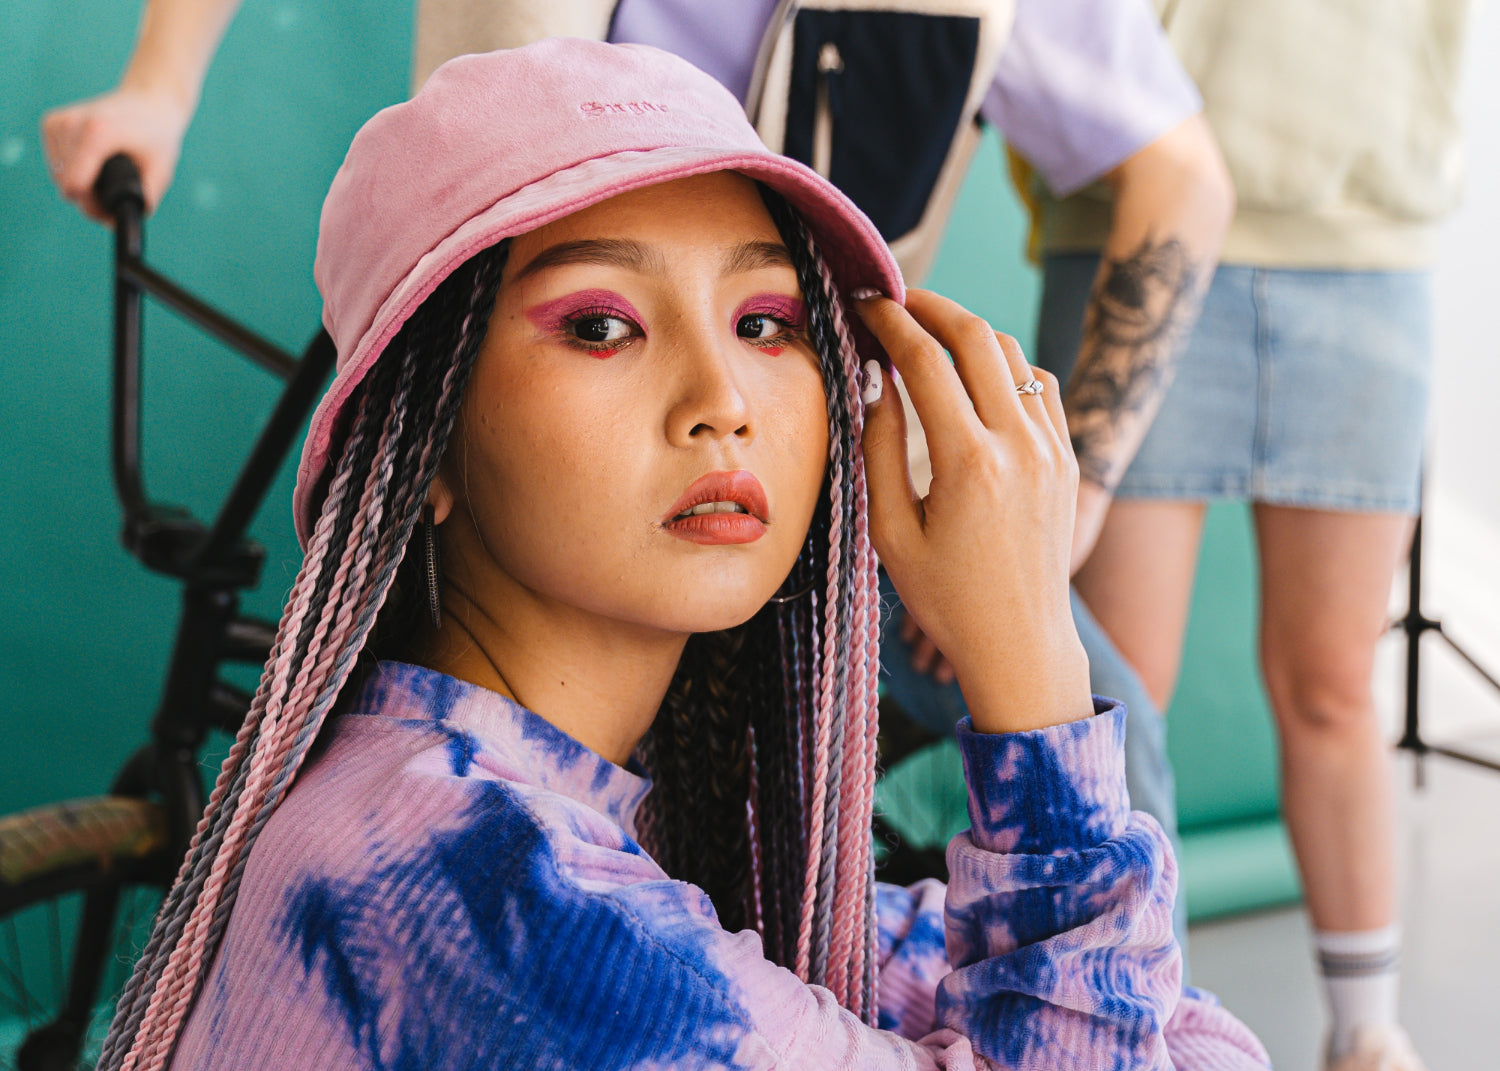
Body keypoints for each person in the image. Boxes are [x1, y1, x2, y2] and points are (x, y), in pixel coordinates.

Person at [91, 40, 1268, 1071]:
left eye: (766, 325)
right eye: (601, 325)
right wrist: (1027, 661)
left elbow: (1184, 1034)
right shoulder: (495, 894)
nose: (722, 401)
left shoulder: (654, 825)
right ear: (426, 444)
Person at [1023, 3, 1476, 1069]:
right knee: (1114, 701)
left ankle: (1369, 1036)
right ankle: (1138, 1032)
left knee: (1333, 682)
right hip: (1136, 209)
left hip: (1371, 236)